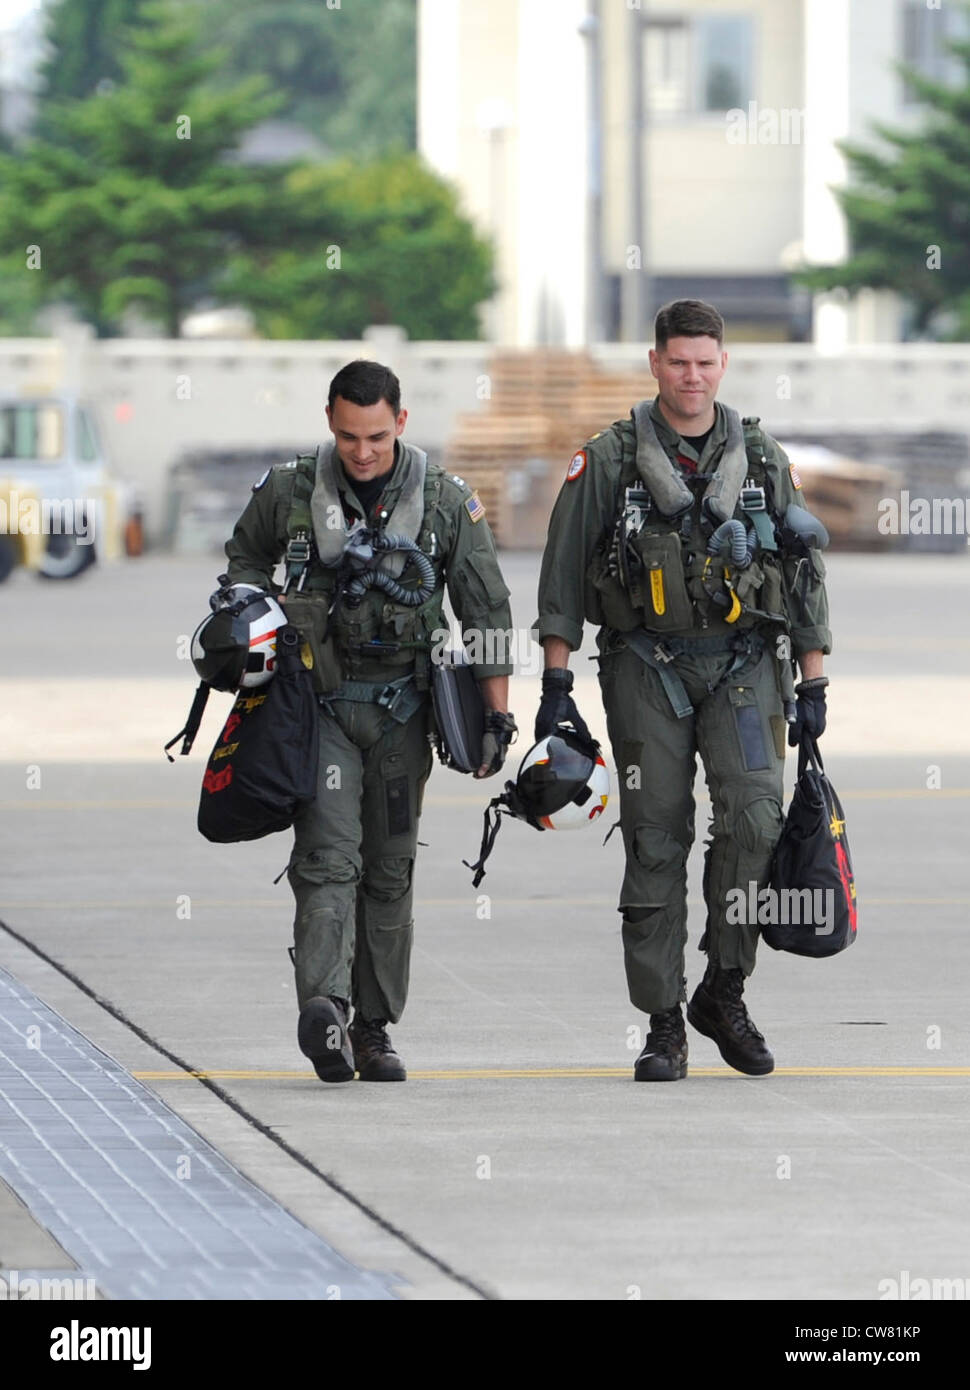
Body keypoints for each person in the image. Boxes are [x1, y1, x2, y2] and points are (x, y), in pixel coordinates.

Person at [534, 300, 832, 1082]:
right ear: (655, 363)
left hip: (743, 668)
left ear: (723, 365)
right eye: (678, 361)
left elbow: (804, 575)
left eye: (705, 362)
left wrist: (814, 681)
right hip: (646, 667)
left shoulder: (761, 456)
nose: (692, 376)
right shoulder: (608, 459)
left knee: (756, 820)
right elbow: (562, 575)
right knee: (655, 835)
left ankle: (723, 987)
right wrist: (556, 684)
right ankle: (663, 1021)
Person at [223, 360, 516, 1083]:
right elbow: (244, 560)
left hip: (405, 714)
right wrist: (249, 621)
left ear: (402, 424)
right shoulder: (291, 491)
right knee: (328, 860)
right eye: (350, 436)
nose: (362, 452)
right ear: (330, 419)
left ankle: (375, 1028)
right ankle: (324, 1009)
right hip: (316, 709)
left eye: (377, 437)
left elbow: (486, 614)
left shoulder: (446, 504)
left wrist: (498, 718)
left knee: (389, 870)